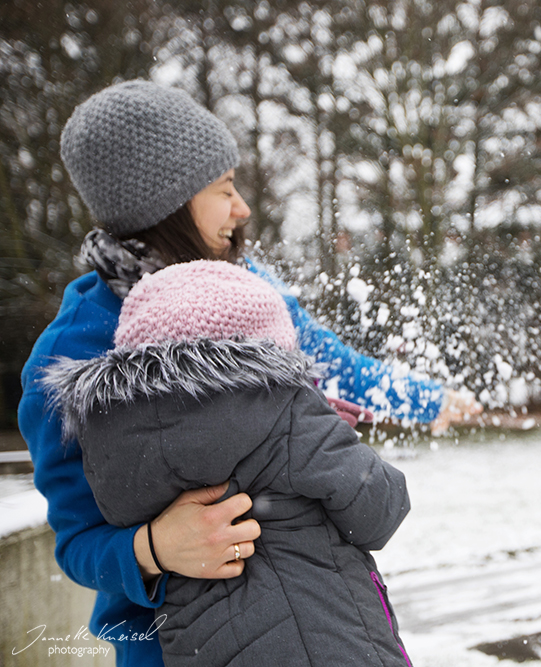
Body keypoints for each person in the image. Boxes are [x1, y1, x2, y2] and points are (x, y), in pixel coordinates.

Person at [18, 79, 478, 666]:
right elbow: (77, 541)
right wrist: (153, 547)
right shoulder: (70, 354)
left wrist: (426, 399)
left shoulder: (247, 290)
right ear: (166, 204)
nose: (242, 208)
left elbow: (331, 364)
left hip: (321, 625)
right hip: (172, 648)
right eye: (224, 188)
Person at [41, 260, 412, 665]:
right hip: (329, 641)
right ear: (268, 354)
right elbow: (381, 509)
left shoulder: (114, 445)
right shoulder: (290, 412)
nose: (241, 207)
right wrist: (320, 421)